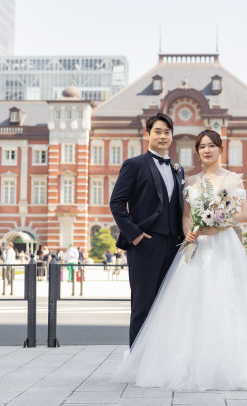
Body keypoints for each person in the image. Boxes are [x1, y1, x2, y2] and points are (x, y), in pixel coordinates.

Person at [111, 129, 247, 391]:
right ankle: (184, 362)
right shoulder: (189, 179)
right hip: (195, 245)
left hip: (223, 245)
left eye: (211, 146)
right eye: (202, 147)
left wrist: (219, 225)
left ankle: (228, 364)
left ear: (220, 149)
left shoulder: (232, 178)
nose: (206, 151)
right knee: (188, 304)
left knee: (225, 301)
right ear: (197, 151)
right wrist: (188, 232)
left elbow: (244, 212)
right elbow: (185, 214)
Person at [109, 113, 185, 347]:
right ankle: (137, 363)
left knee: (167, 305)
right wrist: (136, 236)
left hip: (174, 246)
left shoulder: (178, 169)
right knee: (142, 305)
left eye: (167, 132)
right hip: (146, 244)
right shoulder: (135, 164)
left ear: (172, 136)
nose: (163, 136)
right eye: (158, 132)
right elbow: (117, 202)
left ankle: (159, 359)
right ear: (148, 134)